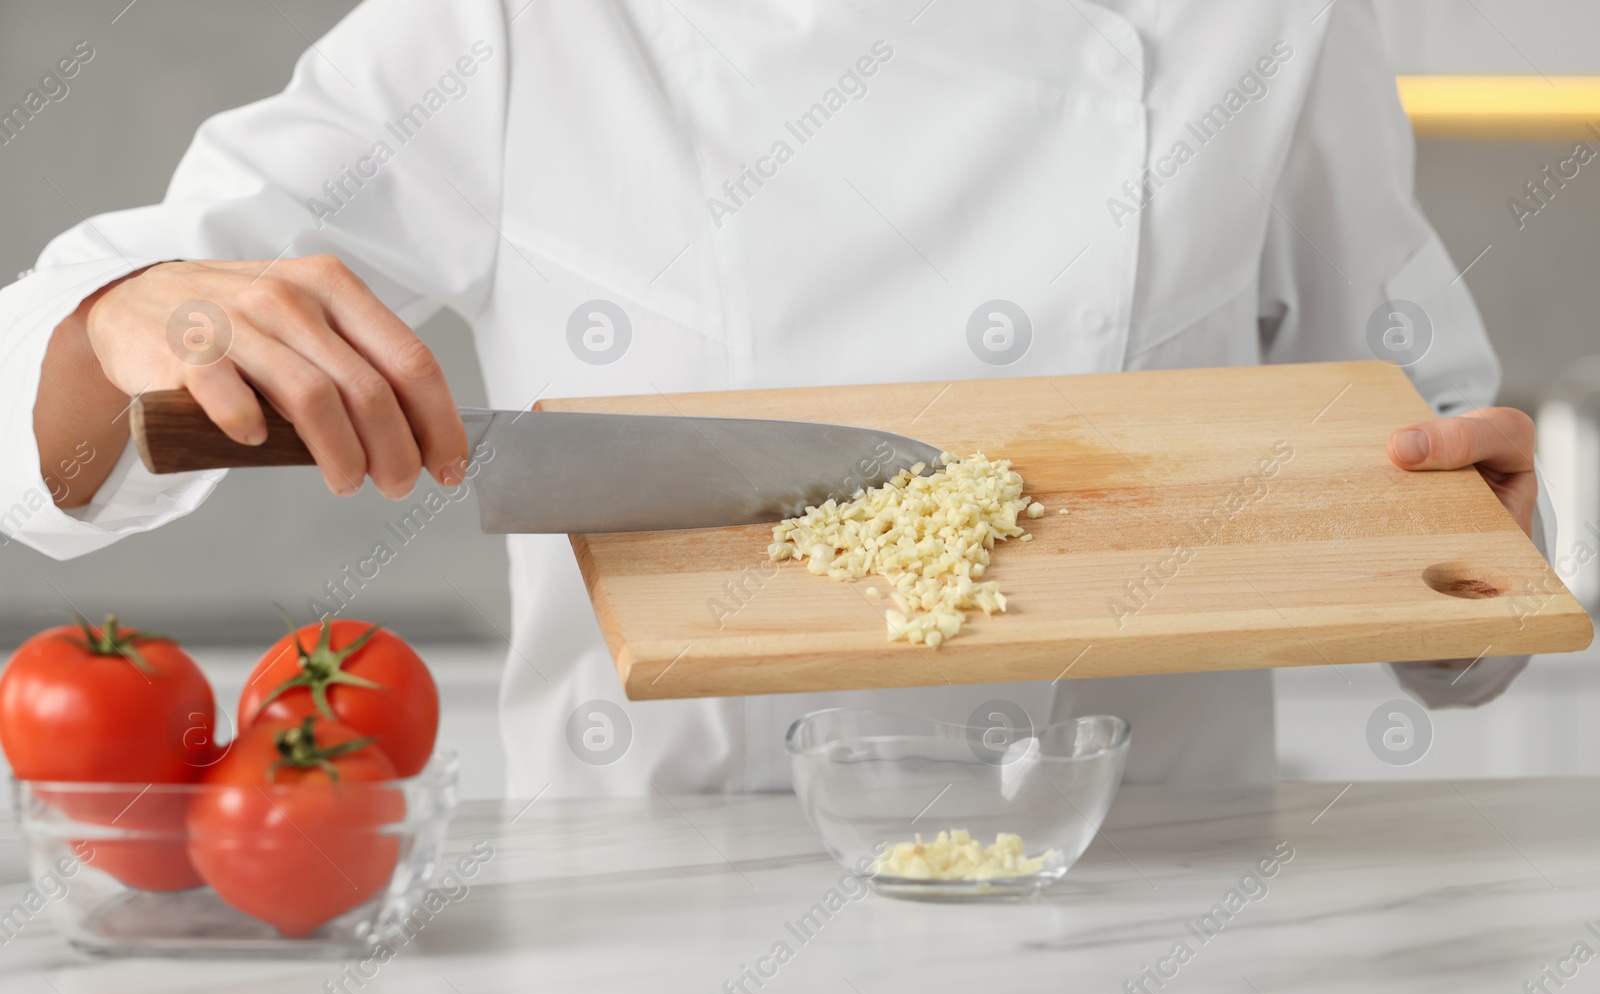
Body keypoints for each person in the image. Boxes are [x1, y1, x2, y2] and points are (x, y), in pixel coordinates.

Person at [1, 0, 1548, 794]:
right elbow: (48, 396)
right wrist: (132, 319)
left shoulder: (1264, 24)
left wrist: (1479, 532)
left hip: (1164, 912)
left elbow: (1434, 494)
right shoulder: (521, 29)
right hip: (672, 912)